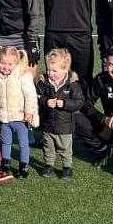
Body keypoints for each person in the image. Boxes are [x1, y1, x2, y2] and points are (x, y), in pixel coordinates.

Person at [0, 46, 39, 179]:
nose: (6, 67)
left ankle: (24, 165)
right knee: (6, 141)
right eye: (3, 63)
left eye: (10, 64)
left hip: (20, 117)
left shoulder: (23, 75)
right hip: (3, 117)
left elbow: (30, 95)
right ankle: (6, 163)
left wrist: (29, 111)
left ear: (16, 63)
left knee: (23, 142)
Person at [35, 48, 86, 180]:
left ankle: (67, 168)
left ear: (65, 69)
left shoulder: (72, 85)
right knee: (48, 147)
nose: (51, 73)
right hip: (48, 124)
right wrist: (46, 101)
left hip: (65, 126)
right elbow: (36, 97)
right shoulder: (43, 83)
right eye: (49, 70)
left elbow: (79, 102)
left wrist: (64, 104)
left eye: (54, 70)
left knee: (65, 149)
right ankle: (48, 166)